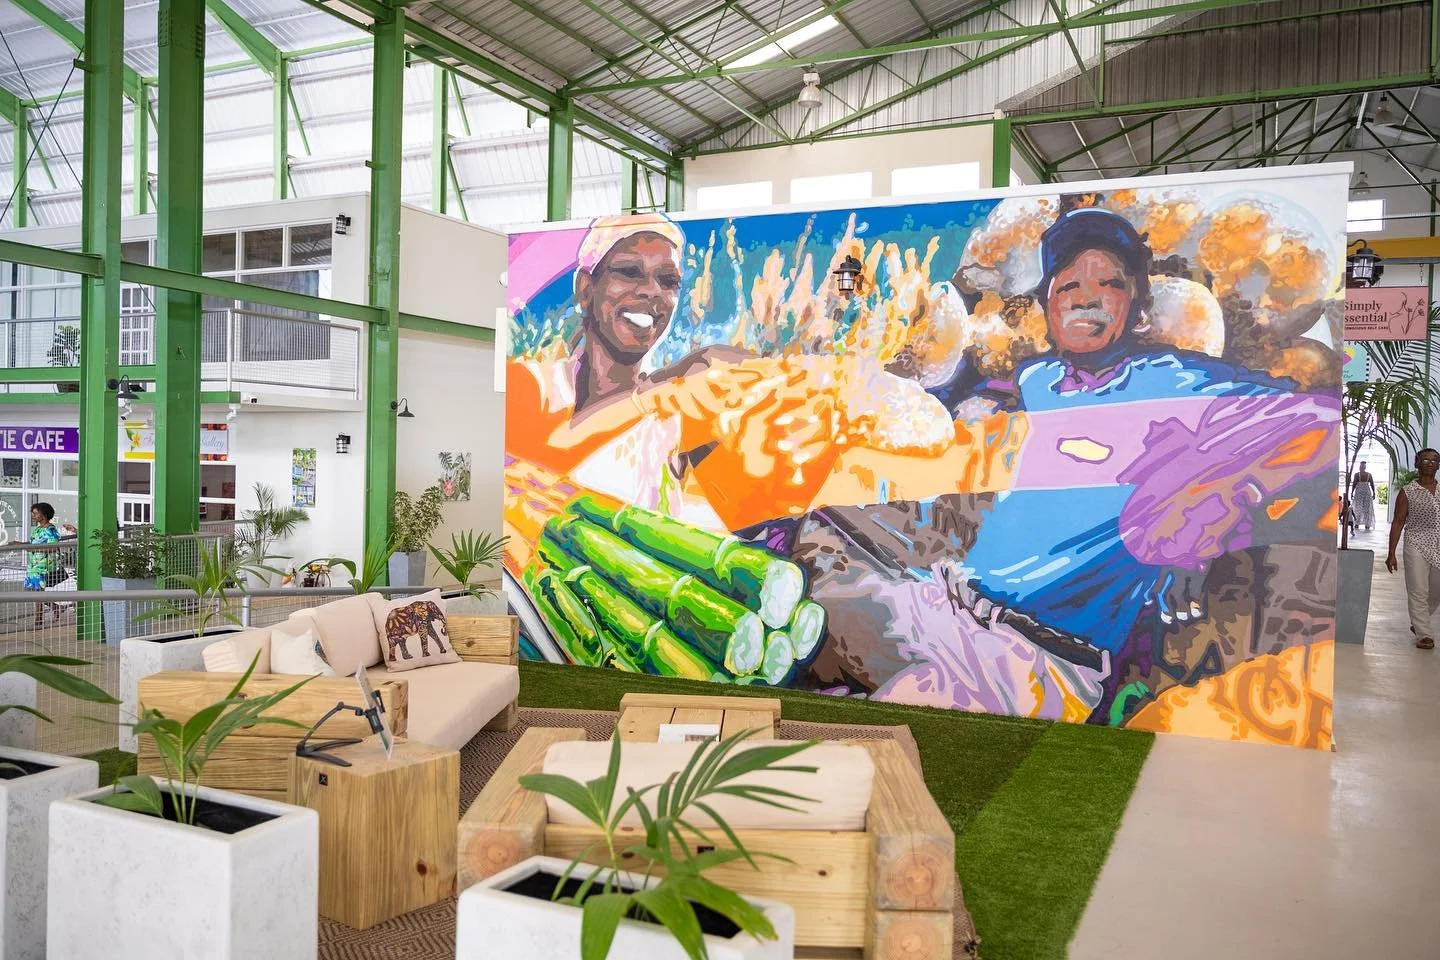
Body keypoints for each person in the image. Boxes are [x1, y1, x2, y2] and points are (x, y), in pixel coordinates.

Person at [1385, 448, 1440, 650]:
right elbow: (1398, 522)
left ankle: (1419, 620)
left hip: (1438, 545)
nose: (1430, 463)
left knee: (1436, 590)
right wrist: (1391, 553)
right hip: (1416, 542)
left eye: (1435, 460)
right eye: (1425, 459)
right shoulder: (1408, 491)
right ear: (1417, 463)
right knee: (1418, 589)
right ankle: (1424, 633)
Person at [25, 502, 63, 625]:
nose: (33, 515)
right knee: (32, 591)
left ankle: (38, 619)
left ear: (44, 514)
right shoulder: (37, 529)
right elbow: (33, 544)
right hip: (33, 565)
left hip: (43, 566)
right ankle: (55, 607)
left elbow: (53, 547)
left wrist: (34, 549)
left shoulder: (50, 529)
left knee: (38, 592)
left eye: (36, 513)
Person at [1350, 461, 1376, 531]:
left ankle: (1357, 523)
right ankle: (1366, 524)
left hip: (1359, 492)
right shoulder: (1369, 475)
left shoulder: (1357, 475)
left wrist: (1351, 493)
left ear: (1361, 467)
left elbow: (1354, 484)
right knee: (1366, 508)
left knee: (1359, 507)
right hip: (1366, 492)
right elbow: (1372, 484)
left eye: (1361, 466)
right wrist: (1374, 493)